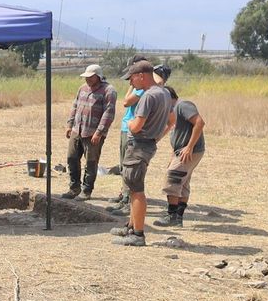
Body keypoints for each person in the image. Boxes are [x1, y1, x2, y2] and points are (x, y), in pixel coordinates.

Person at [110, 58, 176, 247]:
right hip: (147, 145)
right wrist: (156, 137)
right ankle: (131, 226)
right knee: (132, 188)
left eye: (132, 79)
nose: (131, 83)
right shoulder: (163, 93)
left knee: (136, 190)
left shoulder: (148, 96)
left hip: (139, 145)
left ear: (141, 76)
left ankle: (138, 234)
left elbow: (136, 125)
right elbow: (171, 121)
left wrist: (130, 124)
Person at [64, 64, 117, 199]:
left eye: (90, 77)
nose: (87, 79)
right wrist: (69, 124)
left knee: (91, 162)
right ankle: (74, 188)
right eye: (86, 77)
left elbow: (109, 113)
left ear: (98, 76)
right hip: (77, 130)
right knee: (72, 158)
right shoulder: (82, 88)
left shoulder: (108, 91)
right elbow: (75, 106)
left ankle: (86, 191)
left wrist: (99, 132)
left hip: (93, 133)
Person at [154, 98, 206, 228]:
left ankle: (172, 216)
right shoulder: (173, 111)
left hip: (189, 151)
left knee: (172, 179)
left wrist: (189, 147)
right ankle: (178, 217)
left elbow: (199, 123)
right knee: (182, 183)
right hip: (183, 151)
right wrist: (172, 156)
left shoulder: (183, 105)